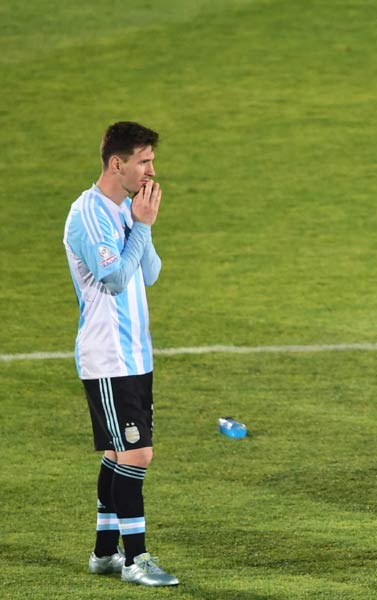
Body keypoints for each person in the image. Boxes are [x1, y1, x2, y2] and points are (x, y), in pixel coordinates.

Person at [63, 121, 178, 586]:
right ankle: (136, 559)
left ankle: (104, 553)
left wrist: (142, 224)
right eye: (144, 161)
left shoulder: (124, 211)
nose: (152, 170)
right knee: (138, 454)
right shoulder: (88, 214)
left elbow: (148, 273)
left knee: (118, 451)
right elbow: (112, 280)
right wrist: (141, 227)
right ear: (118, 163)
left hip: (134, 354)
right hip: (108, 354)